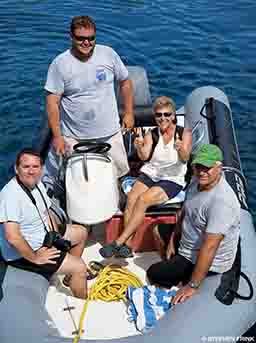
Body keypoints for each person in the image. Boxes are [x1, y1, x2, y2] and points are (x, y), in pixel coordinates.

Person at [43, 15, 134, 190]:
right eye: (81, 38)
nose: (86, 42)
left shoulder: (108, 54)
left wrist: (129, 113)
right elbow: (52, 102)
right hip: (73, 136)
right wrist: (57, 136)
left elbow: (125, 82)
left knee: (119, 175)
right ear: (71, 37)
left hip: (110, 133)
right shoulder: (59, 64)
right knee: (75, 182)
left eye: (91, 38)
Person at [146, 144, 241, 305]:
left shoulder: (222, 202)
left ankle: (183, 277)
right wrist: (172, 240)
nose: (202, 172)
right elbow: (185, 211)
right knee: (157, 230)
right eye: (198, 166)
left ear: (219, 167)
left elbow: (210, 247)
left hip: (199, 255)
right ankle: (175, 265)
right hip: (188, 241)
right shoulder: (197, 180)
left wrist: (193, 286)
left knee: (153, 273)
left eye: (207, 167)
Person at [99, 96, 192, 258]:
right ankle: (128, 247)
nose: (163, 118)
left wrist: (180, 149)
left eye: (167, 114)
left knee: (143, 200)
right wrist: (139, 147)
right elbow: (144, 157)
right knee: (131, 199)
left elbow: (185, 158)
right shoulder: (151, 134)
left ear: (173, 115)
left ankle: (119, 242)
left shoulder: (184, 133)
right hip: (151, 173)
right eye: (159, 115)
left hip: (171, 178)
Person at [0, 148, 89, 299]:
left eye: (35, 167)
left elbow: (46, 213)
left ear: (41, 169)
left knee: (81, 232)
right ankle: (82, 299)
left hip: (44, 235)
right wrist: (35, 257)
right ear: (16, 169)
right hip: (25, 253)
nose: (31, 171)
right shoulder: (10, 196)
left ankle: (69, 277)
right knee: (80, 267)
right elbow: (12, 237)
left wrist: (55, 237)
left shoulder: (36, 183)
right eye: (26, 167)